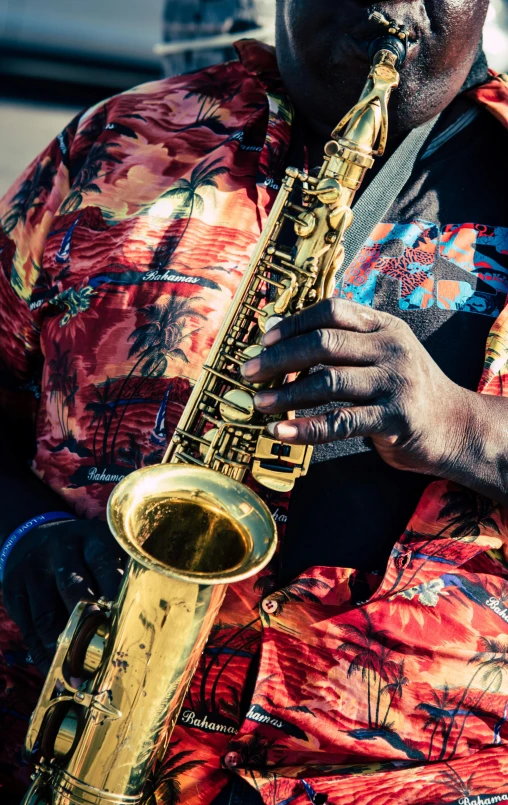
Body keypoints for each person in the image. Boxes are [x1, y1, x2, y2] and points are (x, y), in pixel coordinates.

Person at [1, 0, 508, 802]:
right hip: (70, 739)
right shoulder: (115, 146)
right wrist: (25, 537)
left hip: (407, 778)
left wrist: (460, 421)